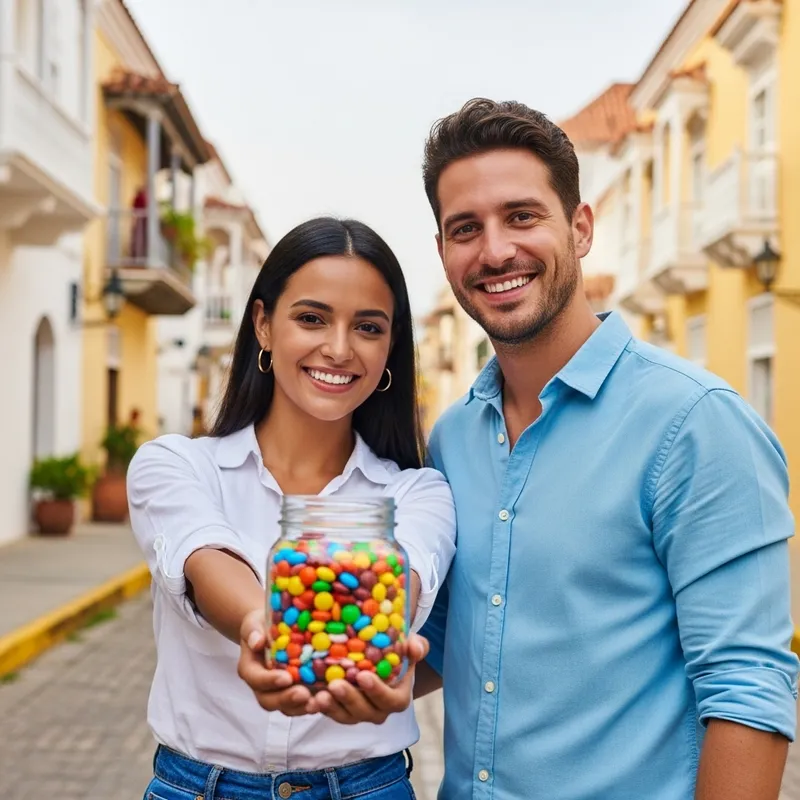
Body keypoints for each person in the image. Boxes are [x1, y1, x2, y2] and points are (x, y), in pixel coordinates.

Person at [414, 99, 799, 799]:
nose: (495, 250)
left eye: (521, 217)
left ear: (581, 227)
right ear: (443, 253)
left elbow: (747, 690)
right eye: (465, 229)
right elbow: (445, 638)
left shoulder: (695, 425)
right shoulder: (454, 437)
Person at [127, 216, 456, 800]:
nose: (338, 348)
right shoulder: (175, 465)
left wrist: (376, 636)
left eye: (368, 327)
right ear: (263, 324)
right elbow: (205, 560)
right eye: (311, 318)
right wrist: (269, 633)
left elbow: (400, 577)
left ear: (389, 349)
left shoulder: (419, 492)